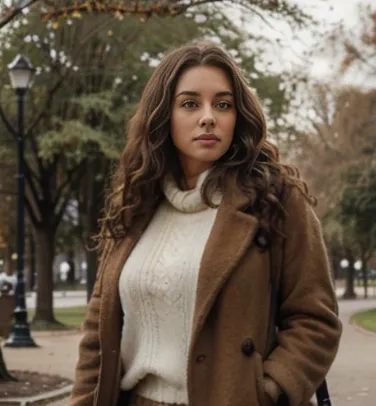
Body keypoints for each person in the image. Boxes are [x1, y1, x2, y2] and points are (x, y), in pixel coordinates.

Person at [69, 42, 342, 406]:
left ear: (237, 117)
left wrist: (269, 390)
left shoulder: (275, 199)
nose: (208, 117)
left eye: (223, 104)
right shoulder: (134, 204)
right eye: (190, 103)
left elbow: (315, 319)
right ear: (163, 116)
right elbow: (96, 332)